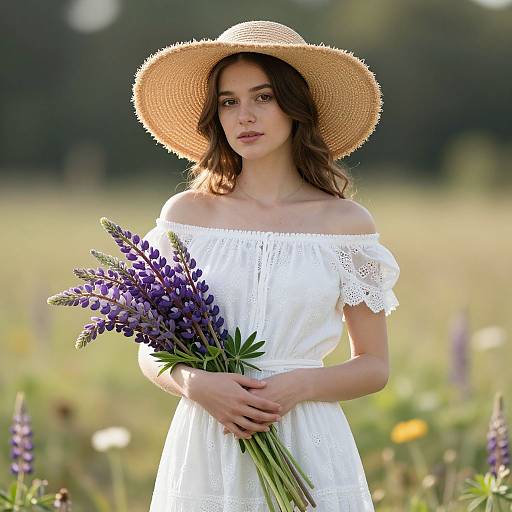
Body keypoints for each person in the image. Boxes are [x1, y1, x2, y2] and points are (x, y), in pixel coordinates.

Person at [133, 20, 400, 511]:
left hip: (308, 443)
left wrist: (300, 383)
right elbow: (149, 349)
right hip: (208, 441)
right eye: (228, 102)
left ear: (296, 106)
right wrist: (197, 384)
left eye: (263, 97)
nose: (244, 116)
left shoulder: (345, 223)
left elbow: (374, 366)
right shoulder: (187, 216)